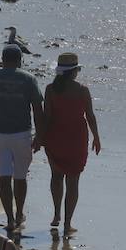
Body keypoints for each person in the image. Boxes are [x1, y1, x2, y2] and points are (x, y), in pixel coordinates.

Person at [35, 52, 101, 236]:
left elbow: (46, 116)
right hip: (76, 140)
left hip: (55, 138)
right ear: (74, 71)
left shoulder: (50, 89)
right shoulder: (82, 90)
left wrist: (40, 138)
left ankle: (56, 214)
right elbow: (90, 116)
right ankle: (67, 223)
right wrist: (96, 137)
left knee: (56, 177)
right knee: (73, 181)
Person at [0, 44, 43, 233]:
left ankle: (8, 217)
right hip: (22, 134)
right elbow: (38, 110)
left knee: (3, 177)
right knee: (20, 177)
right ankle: (19, 213)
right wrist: (40, 135)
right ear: (20, 60)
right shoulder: (29, 79)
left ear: (2, 59)